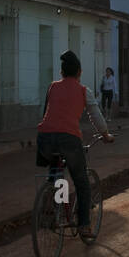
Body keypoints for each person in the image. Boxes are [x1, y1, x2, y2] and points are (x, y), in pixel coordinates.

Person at [37, 50, 115, 242]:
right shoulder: (83, 91)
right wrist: (105, 134)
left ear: (62, 72)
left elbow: (46, 112)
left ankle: (54, 212)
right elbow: (95, 115)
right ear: (79, 72)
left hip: (45, 138)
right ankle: (84, 225)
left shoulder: (52, 87)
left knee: (57, 174)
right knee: (82, 182)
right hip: (69, 140)